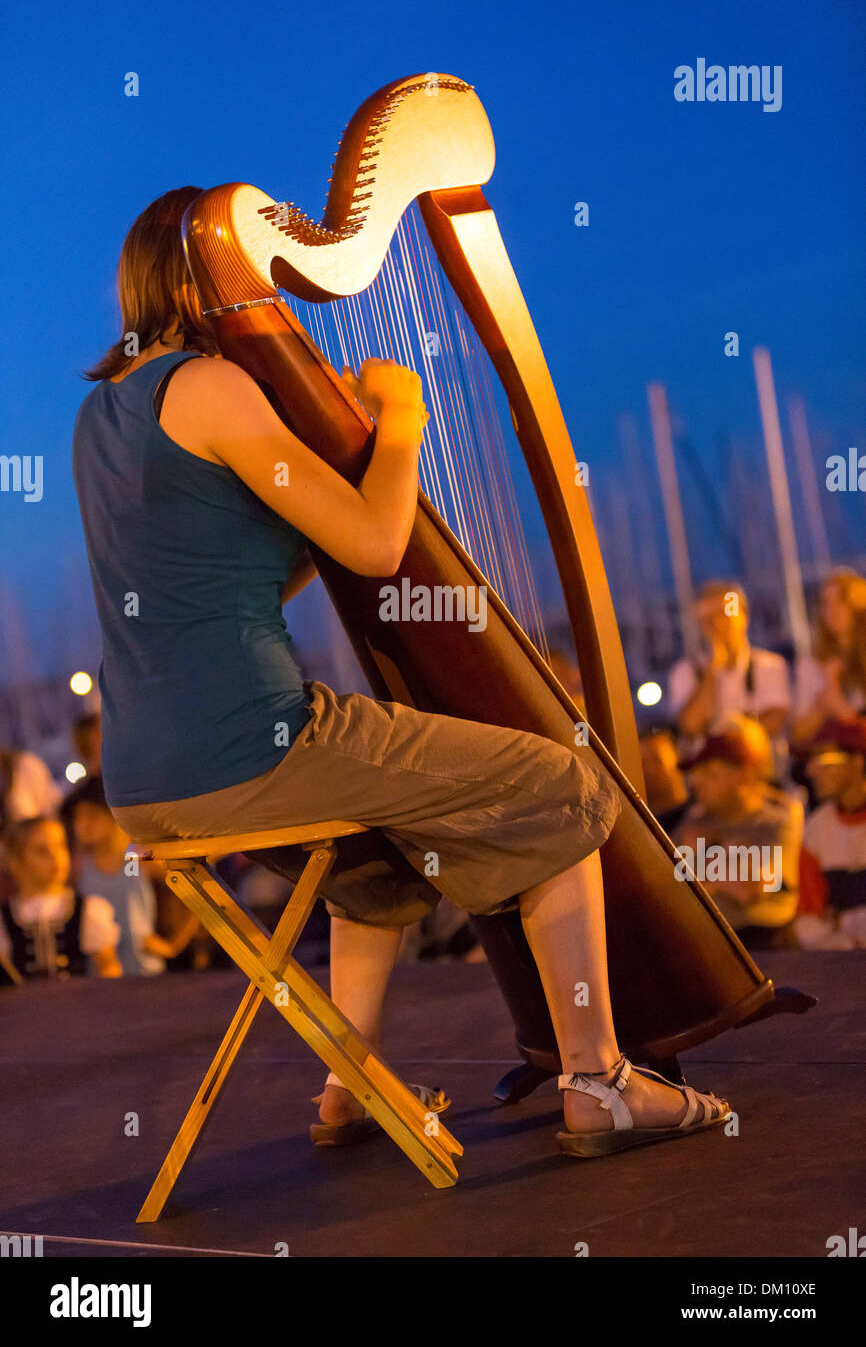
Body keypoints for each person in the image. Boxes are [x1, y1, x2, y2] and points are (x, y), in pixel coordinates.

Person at [71, 185, 729, 1158]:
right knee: (562, 781)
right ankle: (598, 1079)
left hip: (143, 780)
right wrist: (403, 416)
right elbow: (379, 545)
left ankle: (351, 1083)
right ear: (214, 271)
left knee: (375, 870)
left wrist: (342, 477)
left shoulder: (99, 420)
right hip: (254, 743)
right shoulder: (213, 388)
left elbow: (240, 574)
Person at [675, 718, 802, 949]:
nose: (697, 782)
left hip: (764, 946)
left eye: (711, 774)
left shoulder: (774, 821)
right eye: (696, 774)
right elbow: (668, 889)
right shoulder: (694, 820)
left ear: (743, 776)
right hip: (704, 942)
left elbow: (750, 889)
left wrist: (708, 851)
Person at [66, 775, 199, 975]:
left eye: (92, 815)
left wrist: (173, 946)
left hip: (143, 972)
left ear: (113, 816)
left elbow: (196, 894)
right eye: (78, 816)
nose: (82, 824)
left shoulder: (133, 861)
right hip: (100, 974)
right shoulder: (80, 866)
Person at [668, 582, 791, 764]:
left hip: (758, 764)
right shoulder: (685, 671)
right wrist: (712, 671)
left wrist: (729, 742)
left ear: (744, 616)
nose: (717, 624)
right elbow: (690, 725)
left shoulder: (769, 666)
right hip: (708, 769)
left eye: (725, 614)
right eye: (708, 619)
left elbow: (775, 720)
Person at [0, 817, 121, 979]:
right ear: (16, 861)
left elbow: (108, 967)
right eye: (42, 851)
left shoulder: (86, 909)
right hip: (25, 1004)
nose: (55, 857)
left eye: (60, 846)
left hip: (78, 1002)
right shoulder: (5, 919)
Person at [795, 720, 866, 949]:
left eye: (824, 760)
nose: (811, 771)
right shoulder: (817, 827)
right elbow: (810, 916)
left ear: (856, 762)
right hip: (841, 957)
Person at [793, 569, 866, 745]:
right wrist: (821, 706)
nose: (832, 610)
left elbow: (842, 711)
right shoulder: (811, 664)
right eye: (826, 603)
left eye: (841, 601)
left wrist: (842, 710)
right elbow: (798, 734)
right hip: (832, 756)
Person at [639, 726, 691, 836]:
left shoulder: (694, 819)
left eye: (656, 760)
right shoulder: (639, 825)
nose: (649, 770)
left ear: (677, 761)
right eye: (642, 763)